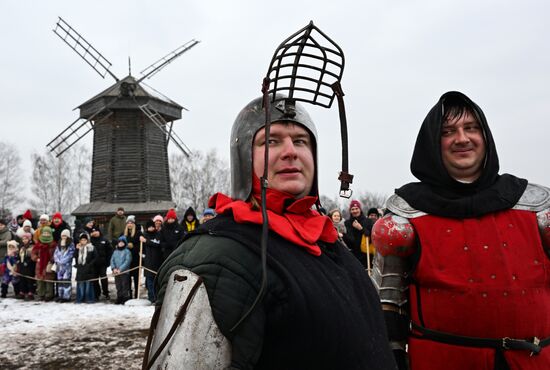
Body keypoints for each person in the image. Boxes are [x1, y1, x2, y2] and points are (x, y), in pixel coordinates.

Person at [149, 95, 396, 369]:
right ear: (244, 157)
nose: (290, 151)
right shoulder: (213, 257)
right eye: (271, 141)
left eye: (300, 141)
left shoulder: (327, 242)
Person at [371, 91, 550, 370]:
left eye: (471, 128)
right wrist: (392, 358)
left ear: (485, 136)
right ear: (432, 143)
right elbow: (388, 301)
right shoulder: (406, 216)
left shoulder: (536, 207)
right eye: (448, 131)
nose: (462, 138)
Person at [343, 200, 374, 266]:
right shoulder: (347, 223)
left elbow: (371, 236)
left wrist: (361, 228)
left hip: (366, 254)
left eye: (356, 209)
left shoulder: (368, 221)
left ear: (360, 209)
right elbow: (350, 241)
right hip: (354, 254)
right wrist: (343, 235)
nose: (355, 211)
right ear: (350, 211)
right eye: (352, 209)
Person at [32, 226, 57, 301]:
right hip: (40, 265)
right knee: (40, 281)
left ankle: (49, 295)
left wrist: (52, 260)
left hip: (49, 264)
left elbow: (56, 254)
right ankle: (41, 294)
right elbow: (33, 253)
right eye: (44, 233)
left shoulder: (53, 244)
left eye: (47, 233)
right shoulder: (38, 244)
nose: (46, 234)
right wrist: (36, 258)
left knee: (49, 281)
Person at [140, 220, 162, 303]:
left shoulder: (158, 234)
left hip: (157, 260)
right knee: (149, 281)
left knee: (156, 280)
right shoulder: (144, 235)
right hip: (148, 261)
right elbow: (142, 249)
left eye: (152, 227)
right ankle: (151, 297)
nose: (151, 228)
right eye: (149, 227)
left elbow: (157, 244)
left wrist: (146, 241)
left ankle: (157, 296)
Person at [89, 226, 112, 300]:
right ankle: (97, 294)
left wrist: (108, 261)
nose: (95, 233)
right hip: (94, 264)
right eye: (93, 232)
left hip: (103, 263)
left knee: (104, 279)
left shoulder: (104, 240)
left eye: (96, 231)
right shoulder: (90, 241)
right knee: (95, 279)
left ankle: (106, 293)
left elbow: (109, 251)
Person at [53, 229, 75, 302]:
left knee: (66, 281)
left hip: (66, 266)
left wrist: (63, 261)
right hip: (59, 266)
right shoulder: (59, 244)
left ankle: (66, 296)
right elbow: (56, 253)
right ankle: (60, 295)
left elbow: (70, 254)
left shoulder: (71, 244)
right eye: (62, 235)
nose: (64, 237)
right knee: (60, 281)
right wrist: (57, 260)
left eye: (65, 235)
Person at [74, 233, 97, 304]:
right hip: (80, 268)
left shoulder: (91, 247)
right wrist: (77, 249)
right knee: (80, 284)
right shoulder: (78, 247)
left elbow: (95, 257)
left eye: (85, 240)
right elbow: (75, 256)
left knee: (88, 284)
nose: (83, 241)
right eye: (82, 240)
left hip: (89, 268)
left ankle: (89, 298)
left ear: (87, 240)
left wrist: (90, 265)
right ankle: (80, 298)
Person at [123, 215, 142, 299]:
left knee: (136, 278)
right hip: (127, 260)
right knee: (127, 279)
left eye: (131, 223)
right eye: (128, 223)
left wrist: (133, 246)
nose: (129, 224)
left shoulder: (138, 233)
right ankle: (129, 295)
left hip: (135, 259)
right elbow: (120, 243)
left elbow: (141, 246)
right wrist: (126, 246)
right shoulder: (124, 234)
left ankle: (136, 295)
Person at [110, 236, 132, 305]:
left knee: (124, 285)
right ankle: (119, 297)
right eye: (119, 242)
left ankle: (125, 298)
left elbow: (127, 261)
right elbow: (112, 260)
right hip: (116, 272)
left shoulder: (127, 251)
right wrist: (114, 268)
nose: (121, 244)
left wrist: (121, 269)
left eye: (122, 243)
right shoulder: (115, 251)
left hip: (124, 272)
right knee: (118, 285)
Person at [16, 232, 36, 300]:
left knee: (29, 280)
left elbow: (32, 257)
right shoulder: (21, 247)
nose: (24, 240)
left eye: (26, 239)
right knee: (22, 280)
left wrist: (27, 262)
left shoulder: (31, 247)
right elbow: (19, 255)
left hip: (29, 266)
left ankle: (30, 293)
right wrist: (18, 260)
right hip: (22, 266)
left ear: (29, 239)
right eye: (23, 239)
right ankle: (22, 292)